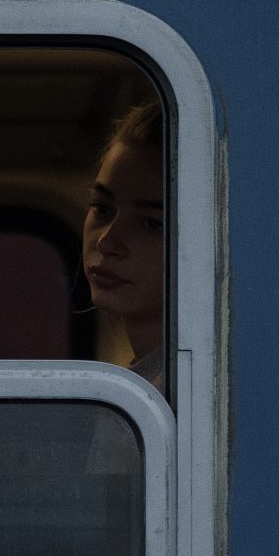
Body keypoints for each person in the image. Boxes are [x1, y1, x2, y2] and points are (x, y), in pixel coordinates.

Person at [82, 102, 166, 391]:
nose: (106, 242)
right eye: (101, 208)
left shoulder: (193, 395)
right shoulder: (137, 390)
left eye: (153, 224)